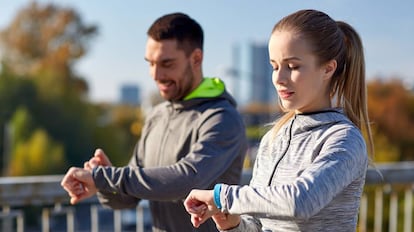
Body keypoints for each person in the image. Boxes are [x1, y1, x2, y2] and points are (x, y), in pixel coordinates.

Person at [184, 9, 374, 231]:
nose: (279, 78)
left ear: (328, 69)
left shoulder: (344, 139)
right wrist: (233, 224)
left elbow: (300, 201)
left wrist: (222, 196)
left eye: (292, 67)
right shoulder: (273, 138)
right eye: (274, 66)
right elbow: (257, 224)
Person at [61, 12, 247, 232]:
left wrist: (106, 177)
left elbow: (186, 181)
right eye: (150, 63)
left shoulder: (222, 118)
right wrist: (102, 185)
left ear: (196, 59)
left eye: (166, 63)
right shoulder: (156, 116)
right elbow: (127, 200)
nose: (155, 74)